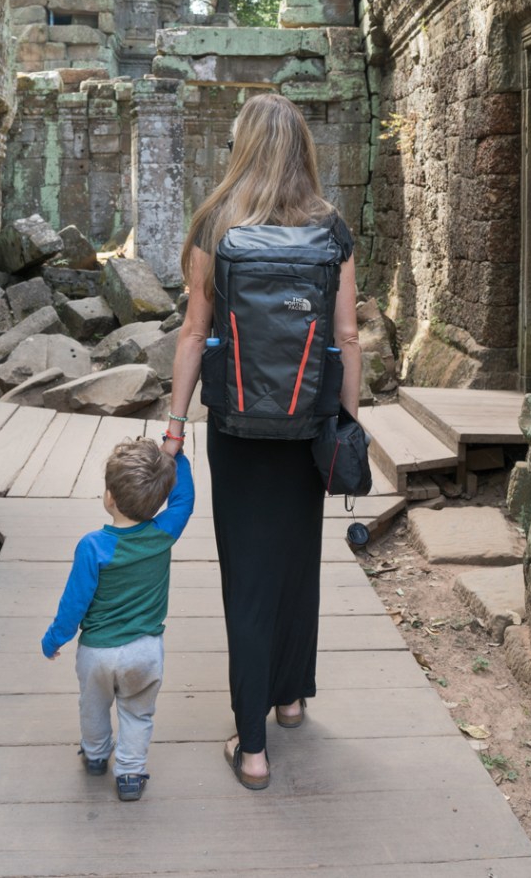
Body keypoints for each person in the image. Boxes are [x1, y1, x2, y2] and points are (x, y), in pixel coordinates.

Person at [162, 93, 362, 791]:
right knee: (296, 564)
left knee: (246, 578)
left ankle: (252, 747)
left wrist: (174, 423)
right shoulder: (331, 229)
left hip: (238, 427)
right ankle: (290, 697)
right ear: (302, 148)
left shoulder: (216, 223)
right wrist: (346, 421)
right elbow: (347, 337)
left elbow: (193, 333)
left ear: (244, 147)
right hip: (307, 422)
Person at [41, 438, 195, 802]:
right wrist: (178, 457)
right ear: (159, 499)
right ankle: (129, 773)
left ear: (109, 496)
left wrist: (54, 639)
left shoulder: (93, 546)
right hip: (144, 651)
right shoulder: (162, 534)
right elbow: (185, 501)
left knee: (93, 706)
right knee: (137, 713)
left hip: (97, 652)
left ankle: (95, 756)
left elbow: (73, 604)